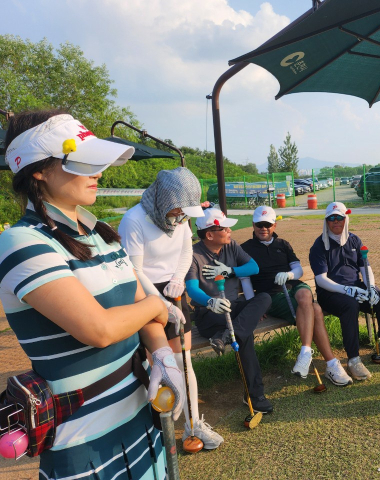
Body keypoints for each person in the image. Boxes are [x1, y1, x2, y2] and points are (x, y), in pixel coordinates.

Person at [0, 110, 185, 478]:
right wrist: (157, 303)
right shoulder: (20, 241)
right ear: (38, 170)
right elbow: (98, 329)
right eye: (84, 163)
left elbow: (137, 305)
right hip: (83, 436)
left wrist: (162, 353)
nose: (97, 173)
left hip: (140, 413)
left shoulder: (100, 232)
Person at [118, 167, 223, 451]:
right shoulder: (134, 221)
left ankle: (193, 424)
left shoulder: (181, 218)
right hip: (142, 293)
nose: (183, 217)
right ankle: (160, 432)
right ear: (165, 199)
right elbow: (134, 270)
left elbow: (186, 250)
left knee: (183, 363)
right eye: (180, 209)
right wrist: (160, 303)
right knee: (158, 367)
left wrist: (178, 279)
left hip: (171, 289)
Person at [240, 206, 352, 386]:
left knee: (305, 297)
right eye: (259, 224)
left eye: (267, 224)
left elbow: (298, 270)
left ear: (274, 226)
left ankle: (306, 353)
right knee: (315, 309)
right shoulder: (245, 249)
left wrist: (290, 275)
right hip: (271, 296)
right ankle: (331, 364)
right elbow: (245, 280)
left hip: (293, 286)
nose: (263, 228)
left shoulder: (283, 245)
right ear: (253, 225)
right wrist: (253, 305)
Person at [185, 207, 274, 413]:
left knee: (264, 298)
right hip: (208, 314)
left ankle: (225, 337)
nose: (230, 232)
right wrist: (209, 302)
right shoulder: (193, 254)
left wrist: (229, 271)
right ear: (209, 234)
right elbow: (191, 288)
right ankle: (255, 394)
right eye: (224, 228)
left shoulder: (231, 246)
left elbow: (254, 268)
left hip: (233, 308)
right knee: (244, 335)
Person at [309, 202, 380, 381]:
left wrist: (371, 287)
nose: (335, 221)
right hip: (331, 292)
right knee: (350, 306)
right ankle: (354, 359)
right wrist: (347, 290)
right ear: (326, 221)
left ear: (346, 219)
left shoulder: (354, 240)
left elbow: (365, 267)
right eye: (331, 218)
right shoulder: (319, 245)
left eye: (339, 217)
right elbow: (321, 280)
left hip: (357, 286)